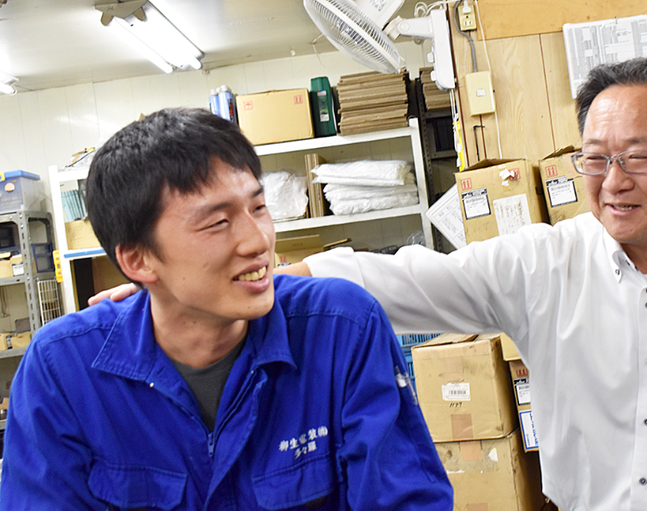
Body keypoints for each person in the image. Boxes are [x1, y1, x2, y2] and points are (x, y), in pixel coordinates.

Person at [88, 58, 647, 510]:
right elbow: (399, 280)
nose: (612, 182)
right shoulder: (543, 263)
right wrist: (201, 286)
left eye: (639, 158)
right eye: (594, 158)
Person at [0, 108, 452, 510]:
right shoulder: (63, 371)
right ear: (138, 261)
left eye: (259, 207)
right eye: (217, 223)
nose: (258, 241)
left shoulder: (341, 330)